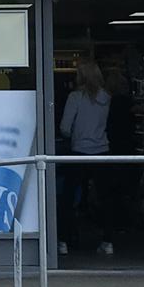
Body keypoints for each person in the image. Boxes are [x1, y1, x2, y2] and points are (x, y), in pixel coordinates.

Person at [58, 60, 112, 256]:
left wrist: (73, 134)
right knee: (104, 197)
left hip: (79, 152)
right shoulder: (106, 98)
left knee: (69, 198)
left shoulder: (75, 97)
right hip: (102, 152)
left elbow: (64, 127)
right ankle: (108, 241)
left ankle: (63, 240)